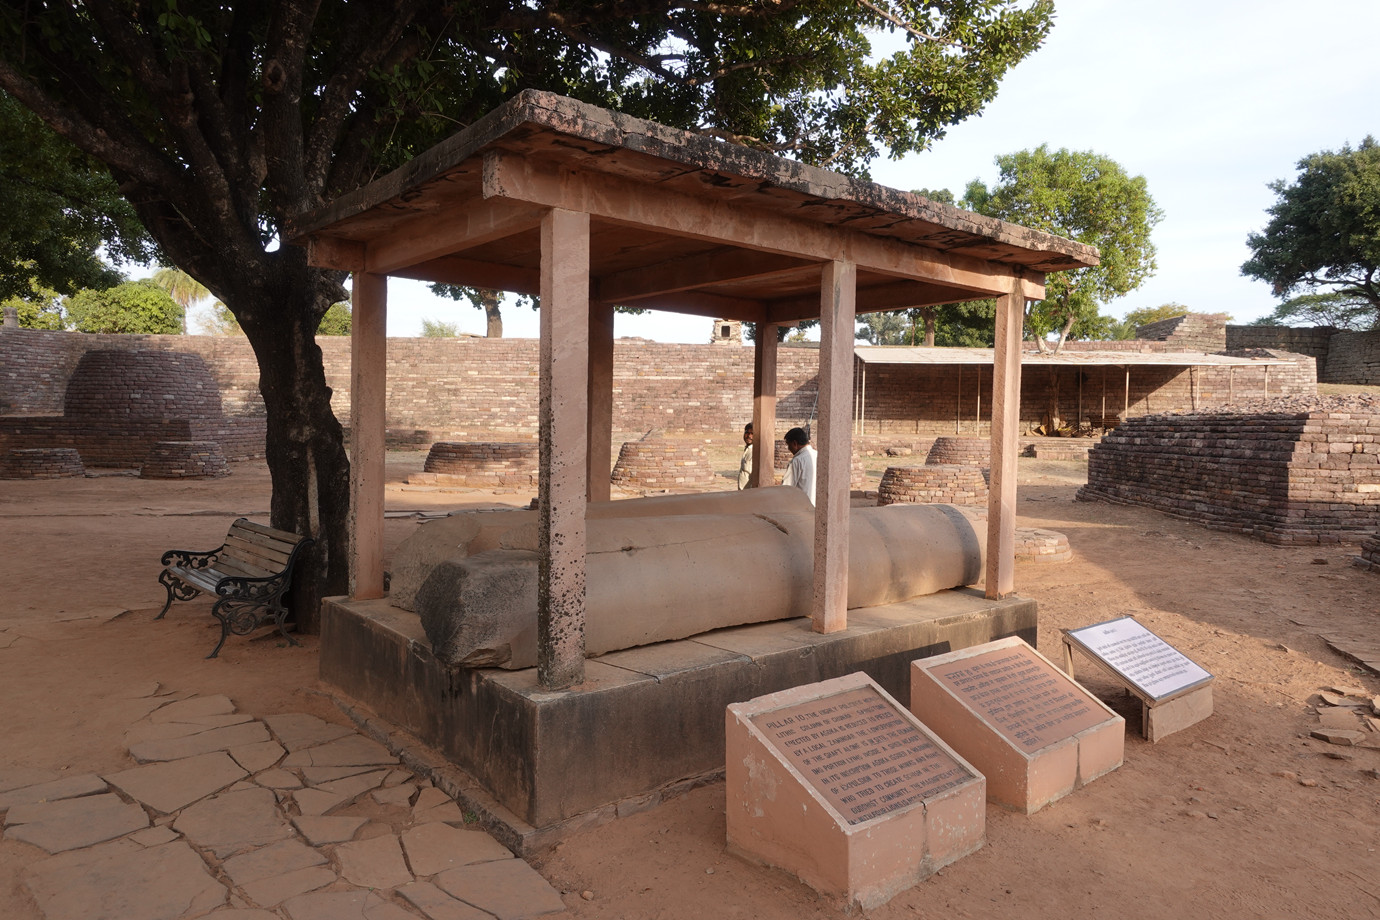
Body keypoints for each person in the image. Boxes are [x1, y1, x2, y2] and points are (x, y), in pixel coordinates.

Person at [782, 426, 816, 506]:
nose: (788, 448)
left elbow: (786, 488)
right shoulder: (818, 455)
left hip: (802, 508)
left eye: (788, 445)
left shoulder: (797, 461)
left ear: (794, 443)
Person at [737, 422, 754, 490]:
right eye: (747, 433)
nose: (749, 436)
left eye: (752, 434)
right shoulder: (748, 449)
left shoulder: (755, 451)